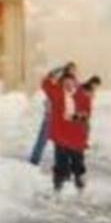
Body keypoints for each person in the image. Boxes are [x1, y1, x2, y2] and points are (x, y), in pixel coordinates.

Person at [43, 63, 87, 192]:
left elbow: (86, 111)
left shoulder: (80, 94)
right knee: (61, 159)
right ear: (62, 83)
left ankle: (79, 179)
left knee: (77, 159)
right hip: (61, 133)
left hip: (76, 134)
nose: (68, 85)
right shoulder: (56, 93)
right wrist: (57, 70)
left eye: (71, 83)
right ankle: (59, 182)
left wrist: (79, 117)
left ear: (75, 83)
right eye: (66, 83)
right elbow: (45, 83)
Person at [29, 62, 77, 167]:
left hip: (62, 117)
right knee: (47, 140)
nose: (73, 72)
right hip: (53, 117)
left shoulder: (68, 86)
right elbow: (46, 83)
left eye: (74, 70)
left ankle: (61, 166)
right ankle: (34, 162)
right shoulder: (58, 87)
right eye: (71, 69)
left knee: (60, 143)